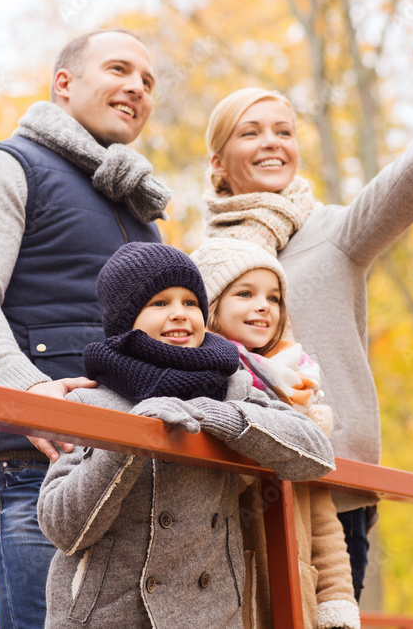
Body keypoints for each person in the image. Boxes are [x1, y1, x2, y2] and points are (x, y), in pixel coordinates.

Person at [200, 33, 413, 600]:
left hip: (333, 486)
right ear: (218, 161)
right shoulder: (198, 262)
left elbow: (411, 178)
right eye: (251, 131)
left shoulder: (335, 233)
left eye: (284, 131)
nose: (272, 143)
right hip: (229, 487)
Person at [0, 29, 169, 627]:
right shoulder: (4, 166)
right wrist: (29, 390)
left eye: (148, 81)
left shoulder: (142, 212)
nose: (137, 87)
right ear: (64, 84)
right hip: (40, 468)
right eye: (119, 69)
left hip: (137, 469)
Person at [37, 242, 335, 628]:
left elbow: (315, 453)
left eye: (191, 302)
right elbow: (63, 528)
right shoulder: (89, 400)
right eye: (159, 303)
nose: (180, 313)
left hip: (213, 614)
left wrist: (219, 416)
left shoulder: (233, 387)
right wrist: (133, 436)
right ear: (125, 319)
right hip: (108, 615)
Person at [192, 237, 361, 629]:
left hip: (291, 589)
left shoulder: (300, 393)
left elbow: (321, 513)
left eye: (274, 297)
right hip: (224, 591)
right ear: (210, 307)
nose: (264, 305)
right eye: (245, 293)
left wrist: (336, 599)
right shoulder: (200, 383)